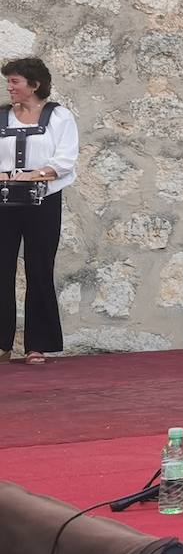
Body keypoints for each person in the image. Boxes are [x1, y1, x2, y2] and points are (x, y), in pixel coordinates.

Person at [1, 58, 77, 365]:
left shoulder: (59, 116)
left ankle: (38, 344)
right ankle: (1, 344)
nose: (10, 87)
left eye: (15, 81)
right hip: (3, 200)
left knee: (39, 268)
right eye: (9, 81)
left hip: (43, 200)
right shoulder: (2, 116)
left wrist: (37, 173)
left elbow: (66, 158)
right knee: (0, 268)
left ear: (34, 84)